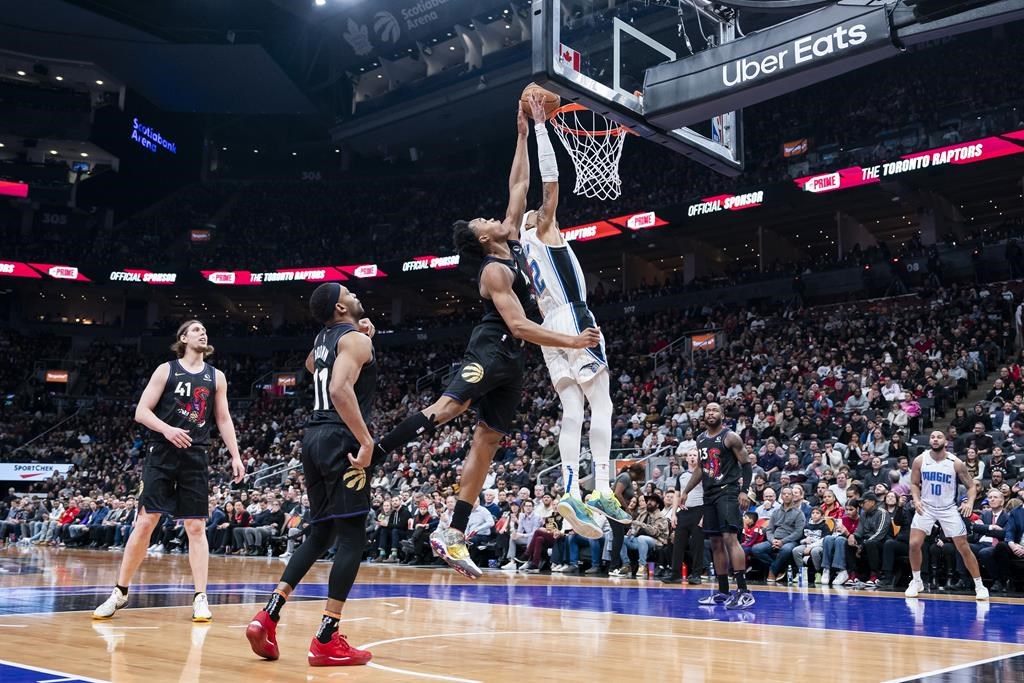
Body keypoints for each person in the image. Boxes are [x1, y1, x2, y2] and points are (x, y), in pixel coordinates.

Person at [369, 108, 600, 579]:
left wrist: (520, 135)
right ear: (481, 239)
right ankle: (378, 451)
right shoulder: (494, 269)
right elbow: (518, 326)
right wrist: (572, 340)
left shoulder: (511, 239)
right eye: (482, 220)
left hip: (511, 363)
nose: (490, 216)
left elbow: (517, 187)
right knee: (449, 409)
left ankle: (452, 532)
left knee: (489, 439)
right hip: (493, 346)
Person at [247, 282, 380, 666]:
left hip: (313, 439)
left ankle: (268, 614)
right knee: (352, 536)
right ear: (341, 307)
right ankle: (327, 637)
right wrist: (366, 441)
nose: (356, 293)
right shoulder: (354, 340)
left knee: (321, 532)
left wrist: (358, 336)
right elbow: (339, 389)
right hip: (341, 438)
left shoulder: (326, 338)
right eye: (349, 293)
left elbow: (312, 366)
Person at [519, 92, 629, 537]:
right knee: (601, 402)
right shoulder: (542, 229)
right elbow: (550, 182)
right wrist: (542, 127)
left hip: (548, 330)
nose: (542, 214)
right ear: (536, 222)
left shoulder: (521, 250)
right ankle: (601, 485)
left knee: (570, 409)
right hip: (572, 318)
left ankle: (568, 489)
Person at [93, 320, 244, 622]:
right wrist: (167, 429)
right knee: (146, 521)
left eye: (205, 328)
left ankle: (200, 596)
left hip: (196, 455)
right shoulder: (166, 370)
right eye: (197, 329)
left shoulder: (217, 377)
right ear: (183, 337)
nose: (203, 332)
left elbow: (223, 419)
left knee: (197, 527)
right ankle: (120, 591)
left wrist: (236, 456)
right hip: (161, 453)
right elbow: (141, 411)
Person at [679, 402, 755, 609]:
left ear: (722, 415)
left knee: (730, 538)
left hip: (728, 492)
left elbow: (746, 465)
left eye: (715, 410)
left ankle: (744, 591)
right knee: (715, 542)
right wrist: (685, 491)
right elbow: (701, 469)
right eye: (708, 411)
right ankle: (722, 592)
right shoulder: (701, 438)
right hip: (709, 493)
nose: (711, 413)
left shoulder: (730, 437)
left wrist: (744, 491)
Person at [904, 431, 989, 600]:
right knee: (914, 544)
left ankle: (980, 586)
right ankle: (916, 581)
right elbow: (914, 483)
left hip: (948, 508)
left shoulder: (955, 463)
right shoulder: (920, 460)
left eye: (939, 437)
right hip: (926, 507)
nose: (935, 439)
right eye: (932, 437)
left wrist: (969, 502)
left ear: (946, 441)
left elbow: (972, 487)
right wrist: (916, 499)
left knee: (963, 547)